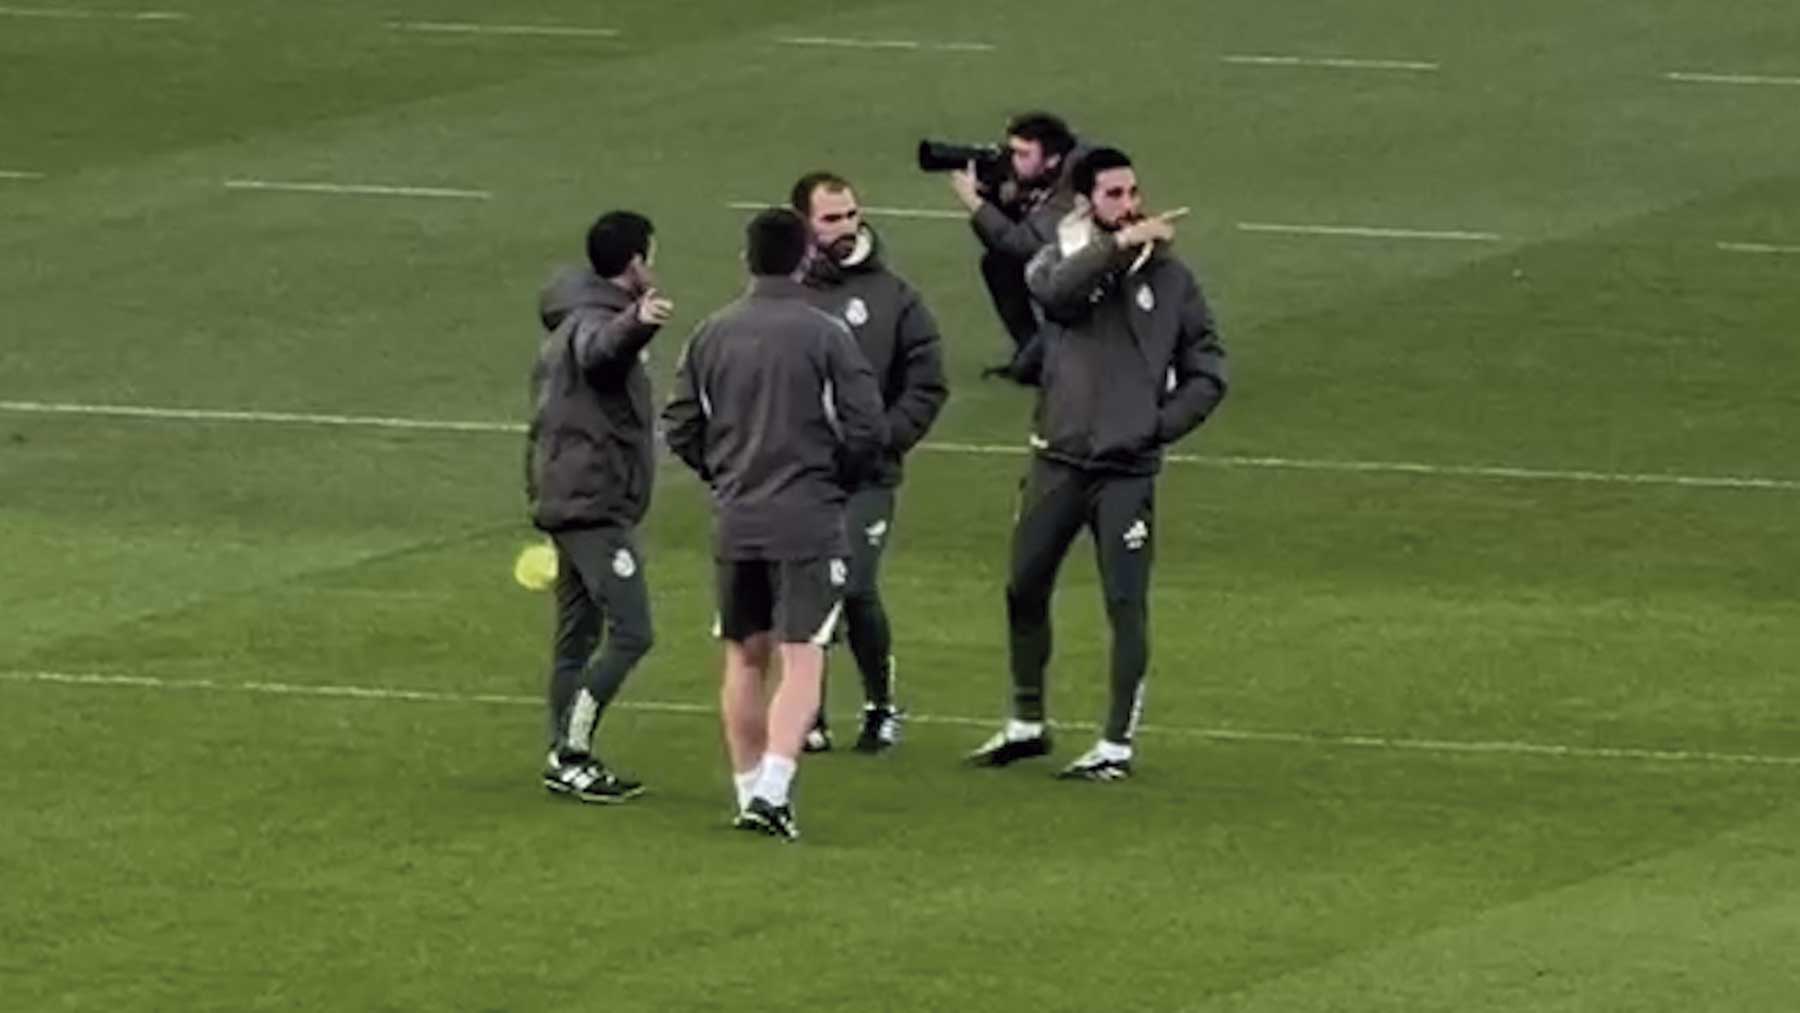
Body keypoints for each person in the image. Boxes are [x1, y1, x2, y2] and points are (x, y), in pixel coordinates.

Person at [966, 148, 1228, 781]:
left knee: (1124, 602)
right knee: (1023, 586)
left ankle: (1115, 744)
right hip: (1056, 460)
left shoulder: (1172, 281)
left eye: (1133, 191)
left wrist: (1155, 427)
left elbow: (1209, 369)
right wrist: (1115, 248)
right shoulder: (1057, 259)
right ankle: (1027, 722)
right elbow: (1056, 295)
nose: (1130, 203)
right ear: (1086, 202)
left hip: (1125, 472)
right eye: (1113, 194)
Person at [662, 208, 887, 841]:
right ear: (804, 259)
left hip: (738, 517)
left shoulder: (710, 334)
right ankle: (773, 793)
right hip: (808, 519)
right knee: (802, 655)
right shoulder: (826, 334)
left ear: (746, 260)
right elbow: (866, 427)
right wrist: (834, 480)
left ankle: (745, 791)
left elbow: (680, 423)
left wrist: (724, 475)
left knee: (743, 656)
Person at [789, 171, 949, 754]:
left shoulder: (893, 296)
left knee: (853, 582)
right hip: (802, 473)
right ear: (803, 224)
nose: (845, 226)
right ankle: (810, 715)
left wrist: (885, 439)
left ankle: (881, 706)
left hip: (869, 475)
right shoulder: (787, 294)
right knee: (808, 587)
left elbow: (927, 382)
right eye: (831, 218)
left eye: (851, 214)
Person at [527, 210, 674, 803]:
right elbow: (601, 354)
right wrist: (638, 323)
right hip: (592, 503)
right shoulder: (593, 323)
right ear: (636, 262)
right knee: (633, 631)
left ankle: (563, 753)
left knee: (576, 637)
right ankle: (572, 753)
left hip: (569, 497)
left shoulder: (569, 316)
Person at [945, 111, 1080, 381]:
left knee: (1034, 369)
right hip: (1059, 277)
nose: (1012, 161)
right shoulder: (1042, 175)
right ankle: (1032, 352)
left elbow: (1023, 245)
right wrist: (993, 199)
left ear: (1051, 159)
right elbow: (1001, 247)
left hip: (1083, 290)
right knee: (997, 264)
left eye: (1023, 154)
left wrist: (975, 204)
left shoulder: (1072, 189)